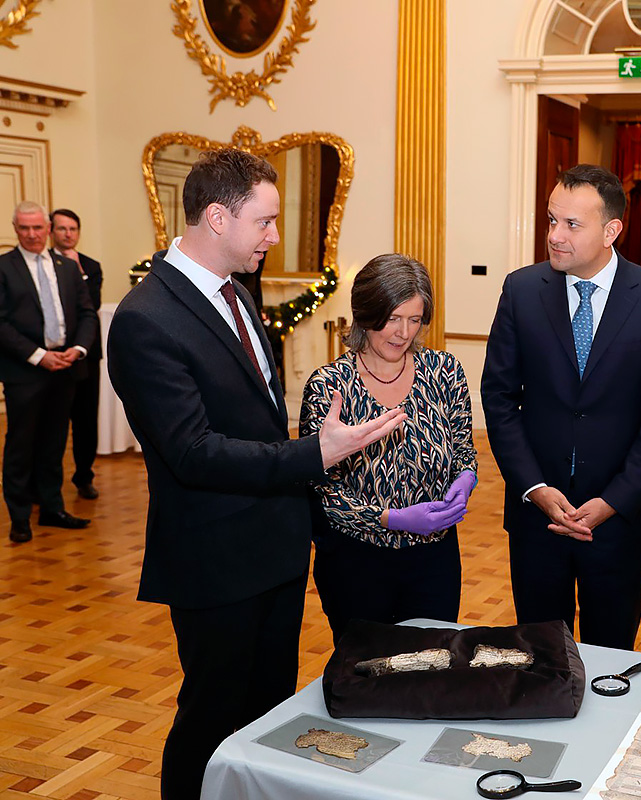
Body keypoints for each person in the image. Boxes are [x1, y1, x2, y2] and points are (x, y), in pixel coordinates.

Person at [107, 148, 404, 800]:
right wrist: (315, 453)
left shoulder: (238, 293)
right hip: (215, 558)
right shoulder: (145, 319)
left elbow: (256, 419)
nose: (273, 235)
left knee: (268, 713)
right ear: (217, 217)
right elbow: (192, 452)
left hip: (274, 547)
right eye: (264, 221)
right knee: (211, 717)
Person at [481, 163, 641, 650]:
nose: (555, 235)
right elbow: (499, 397)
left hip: (617, 522)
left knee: (611, 659)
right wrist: (534, 487)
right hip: (537, 517)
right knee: (539, 655)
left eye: (572, 224)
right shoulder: (521, 290)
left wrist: (613, 500)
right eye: (552, 220)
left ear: (611, 230)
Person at [301, 254, 478, 643]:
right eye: (393, 318)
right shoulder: (330, 386)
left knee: (433, 662)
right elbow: (324, 494)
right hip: (357, 564)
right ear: (366, 313)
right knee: (366, 667)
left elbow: (463, 447)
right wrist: (391, 519)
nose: (404, 333)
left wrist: (465, 476)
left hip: (434, 559)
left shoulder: (444, 372)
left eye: (415, 320)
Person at [0, 202, 97, 542]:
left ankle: (52, 508)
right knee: (21, 445)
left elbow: (87, 313)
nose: (31, 234)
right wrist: (39, 356)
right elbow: (1, 323)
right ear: (15, 229)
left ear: (48, 229)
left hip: (65, 369)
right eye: (24, 228)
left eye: (37, 227)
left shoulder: (66, 267)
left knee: (55, 444)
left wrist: (79, 349)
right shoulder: (4, 267)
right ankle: (20, 517)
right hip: (24, 371)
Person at [50, 208, 104, 499]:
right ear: (51, 232)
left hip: (85, 354)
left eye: (73, 229)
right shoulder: (42, 263)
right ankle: (45, 482)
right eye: (62, 228)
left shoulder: (91, 266)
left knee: (86, 419)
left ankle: (84, 476)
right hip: (53, 355)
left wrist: (77, 271)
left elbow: (91, 304)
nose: (68, 234)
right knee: (52, 422)